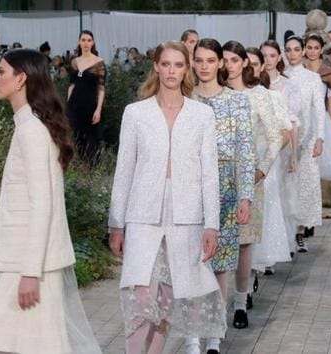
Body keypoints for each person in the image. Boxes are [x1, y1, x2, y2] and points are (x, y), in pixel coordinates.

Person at [0, 49, 101, 354]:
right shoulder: (28, 127)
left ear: (21, 78)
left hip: (30, 269)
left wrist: (30, 273)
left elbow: (43, 205)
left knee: (15, 343)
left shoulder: (32, 132)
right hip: (24, 264)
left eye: (2, 72)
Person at [108, 40, 226, 354]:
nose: (171, 71)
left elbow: (209, 174)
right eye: (166, 64)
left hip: (187, 216)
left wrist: (211, 225)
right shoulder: (136, 114)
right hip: (142, 214)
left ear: (186, 69)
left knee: (169, 297)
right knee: (141, 296)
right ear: (157, 67)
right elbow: (124, 170)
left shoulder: (202, 115)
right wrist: (116, 224)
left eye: (178, 65)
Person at [189, 37, 255, 354]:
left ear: (220, 63)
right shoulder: (184, 99)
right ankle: (190, 338)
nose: (204, 66)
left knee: (219, 266)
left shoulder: (238, 101)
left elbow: (246, 150)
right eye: (198, 60)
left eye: (210, 60)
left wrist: (245, 197)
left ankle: (214, 337)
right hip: (188, 189)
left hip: (226, 187)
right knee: (189, 263)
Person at [223, 40, 283, 329]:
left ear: (244, 63)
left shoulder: (259, 96)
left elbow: (275, 137)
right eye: (225, 59)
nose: (229, 65)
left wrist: (261, 169)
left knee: (244, 243)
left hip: (249, 179)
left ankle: (239, 303)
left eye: (234, 59)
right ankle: (215, 305)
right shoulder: (212, 94)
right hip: (217, 180)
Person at [246, 46, 293, 277]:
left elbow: (284, 131)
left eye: (255, 64)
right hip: (239, 165)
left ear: (262, 66)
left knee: (264, 214)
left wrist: (267, 157)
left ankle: (257, 265)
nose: (250, 68)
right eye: (248, 64)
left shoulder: (271, 96)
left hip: (265, 165)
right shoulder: (228, 94)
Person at [283, 31, 326, 251]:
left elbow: (319, 110)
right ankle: (288, 233)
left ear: (303, 52)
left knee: (305, 186)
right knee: (288, 186)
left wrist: (320, 138)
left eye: (297, 49)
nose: (292, 54)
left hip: (308, 140)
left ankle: (300, 231)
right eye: (288, 50)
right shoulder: (280, 77)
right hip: (285, 140)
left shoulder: (312, 78)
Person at [260, 39, 302, 258]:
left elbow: (292, 122)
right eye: (264, 55)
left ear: (279, 58)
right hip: (261, 146)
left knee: (282, 196)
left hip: (282, 147)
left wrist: (294, 154)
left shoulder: (287, 85)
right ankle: (266, 250)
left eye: (272, 55)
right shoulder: (254, 84)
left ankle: (283, 243)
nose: (268, 60)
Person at [304, 34, 331, 181]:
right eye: (309, 47)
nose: (312, 51)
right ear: (304, 49)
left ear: (321, 49)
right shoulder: (300, 71)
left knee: (317, 166)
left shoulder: (328, 73)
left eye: (316, 48)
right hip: (302, 120)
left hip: (320, 121)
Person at [67, 30, 106, 166]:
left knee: (91, 138)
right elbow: (71, 85)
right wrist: (68, 106)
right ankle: (80, 168)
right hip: (75, 105)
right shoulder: (74, 62)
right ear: (79, 42)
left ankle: (92, 168)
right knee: (77, 137)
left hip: (90, 105)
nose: (86, 43)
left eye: (89, 40)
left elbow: (101, 88)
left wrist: (98, 109)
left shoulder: (99, 63)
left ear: (93, 43)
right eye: (83, 40)